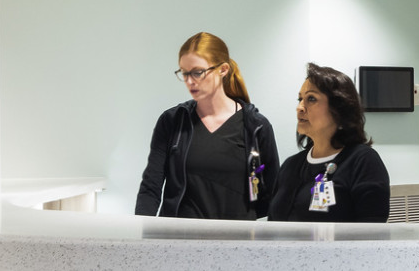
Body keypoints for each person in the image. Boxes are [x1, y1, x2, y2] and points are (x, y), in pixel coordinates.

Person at [136, 32, 280, 220]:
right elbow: (151, 186)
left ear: (223, 69)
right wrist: (140, 235)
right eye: (184, 73)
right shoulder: (172, 121)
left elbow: (274, 194)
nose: (189, 81)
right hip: (178, 241)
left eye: (197, 72)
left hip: (237, 242)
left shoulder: (256, 126)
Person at [267, 63, 392, 223]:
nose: (300, 107)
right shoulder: (290, 166)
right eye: (300, 99)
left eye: (311, 99)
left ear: (339, 109)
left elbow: (372, 234)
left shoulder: (363, 162)